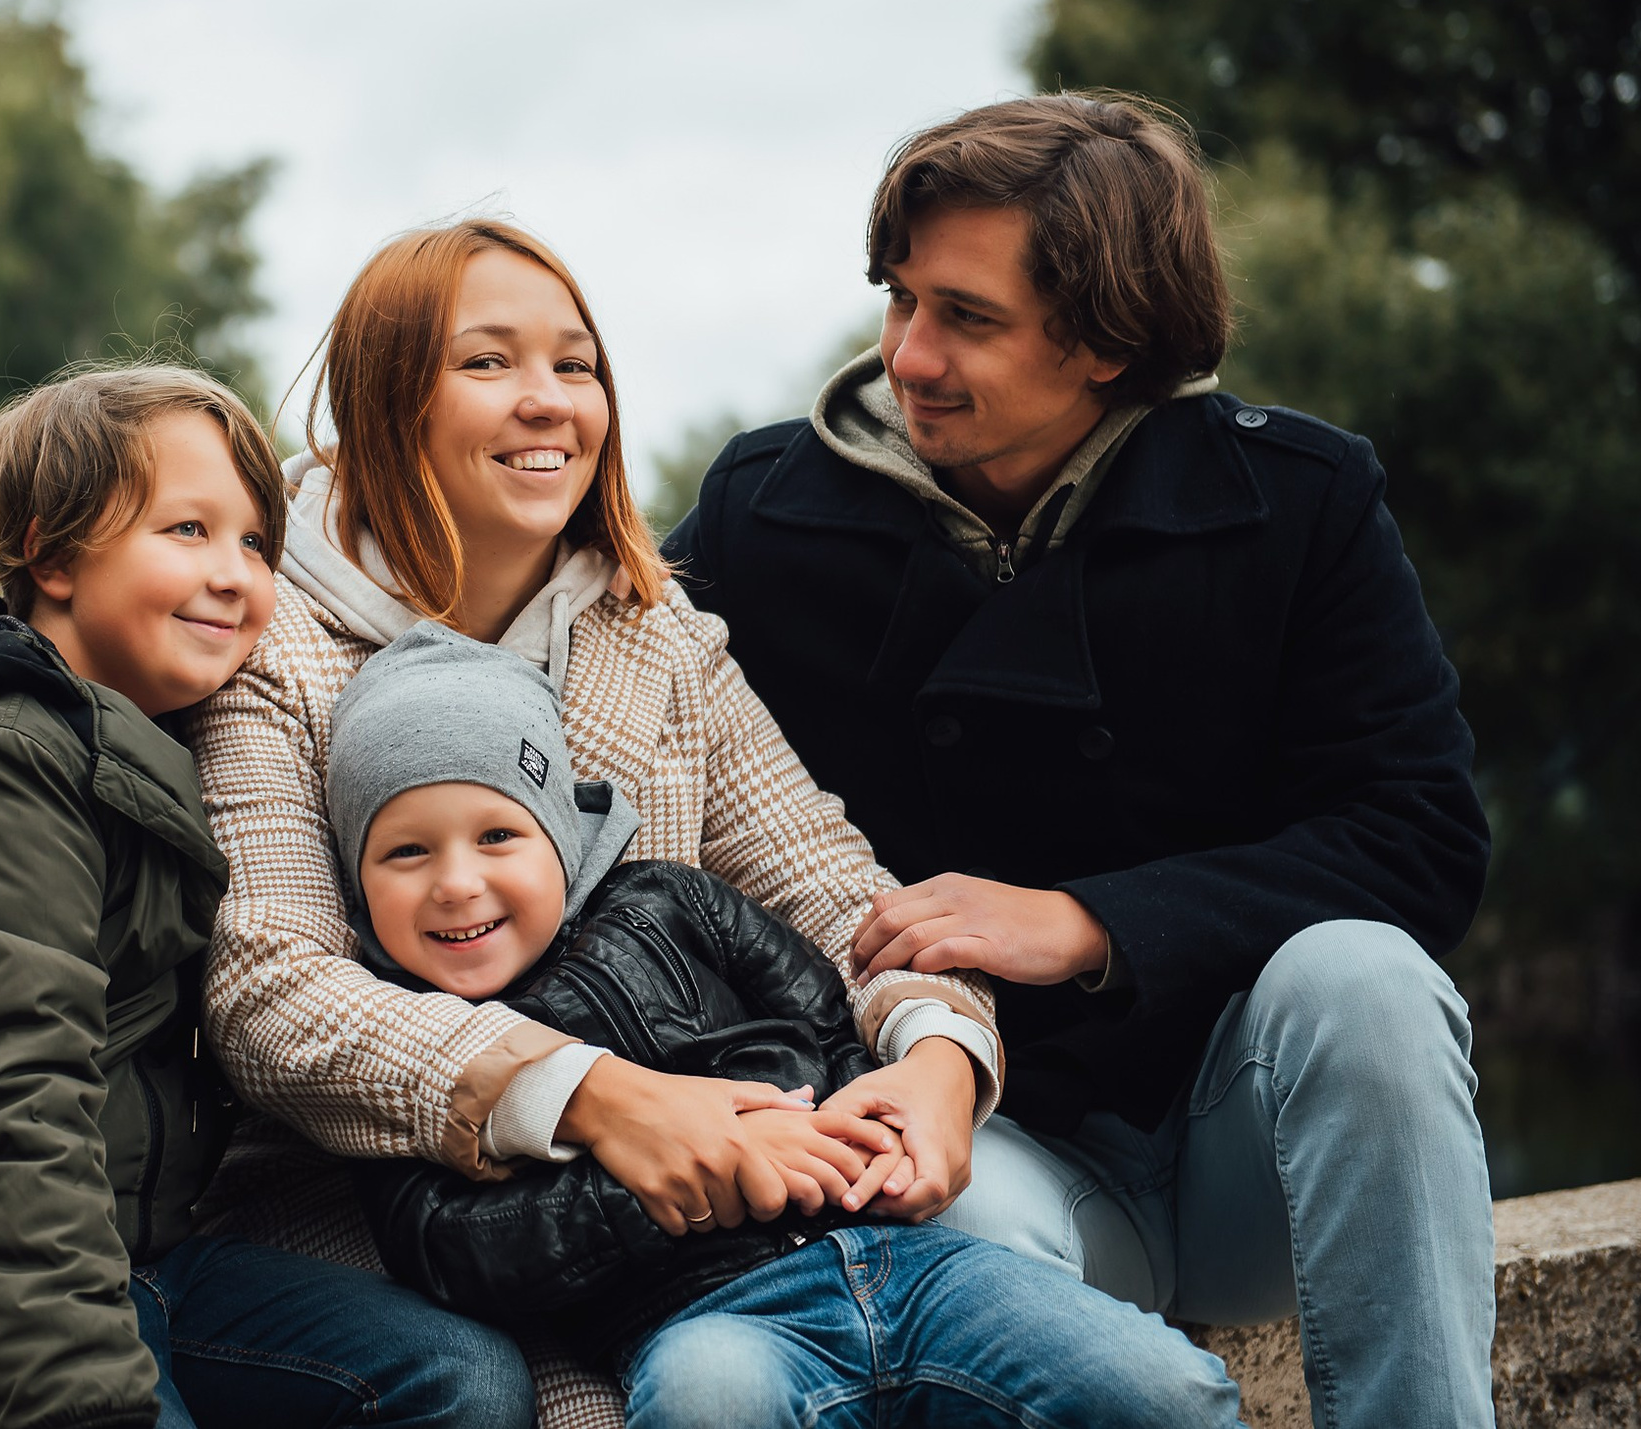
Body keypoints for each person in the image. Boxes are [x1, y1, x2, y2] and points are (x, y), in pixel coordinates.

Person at [664, 92, 1495, 1429]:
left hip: (1257, 1157)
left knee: (1372, 982)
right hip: (986, 1150)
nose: (906, 356)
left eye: (966, 318)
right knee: (944, 1210)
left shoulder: (1302, 502)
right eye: (898, 298)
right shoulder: (767, 513)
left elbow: (1420, 838)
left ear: (1109, 339)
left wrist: (1089, 922)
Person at [188, 221, 1005, 1426]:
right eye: (487, 363)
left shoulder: (656, 633)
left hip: (690, 1205)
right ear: (380, 399)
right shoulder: (272, 653)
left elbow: (824, 879)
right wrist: (587, 1093)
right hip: (381, 1219)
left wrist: (939, 1053)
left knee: (999, 1273)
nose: (548, 402)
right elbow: (271, 993)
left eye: (575, 366)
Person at [0, 363, 535, 1429]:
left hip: (128, 1255)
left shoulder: (144, 750)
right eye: (185, 529)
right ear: (50, 551)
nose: (234, 575)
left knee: (453, 1378)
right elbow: (2, 1116)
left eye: (256, 542)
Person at [332, 621, 1244, 1428]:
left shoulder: (670, 904)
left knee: (1172, 1389)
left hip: (905, 1259)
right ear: (359, 884)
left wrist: (864, 1128)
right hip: (698, 1318)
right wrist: (673, 1183)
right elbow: (449, 1249)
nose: (456, 881)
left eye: (497, 836)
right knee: (709, 1404)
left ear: (561, 839)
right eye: (406, 850)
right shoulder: (420, 1050)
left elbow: (826, 1013)